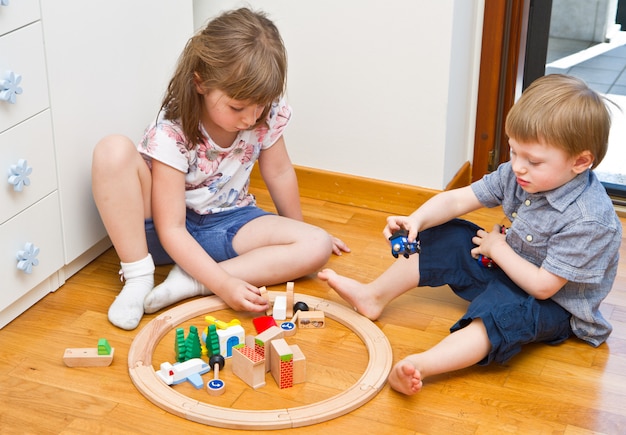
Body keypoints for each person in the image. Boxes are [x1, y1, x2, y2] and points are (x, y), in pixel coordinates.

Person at [319, 74, 622, 395]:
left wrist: (498, 248)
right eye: (513, 151)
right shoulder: (520, 173)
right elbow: (458, 199)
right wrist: (416, 219)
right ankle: (373, 296)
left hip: (552, 305)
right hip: (506, 261)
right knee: (446, 233)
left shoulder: (590, 220)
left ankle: (422, 365)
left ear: (580, 161)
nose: (517, 166)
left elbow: (544, 288)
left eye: (533, 161)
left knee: (499, 313)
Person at [92, 8, 349, 330]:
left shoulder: (264, 117)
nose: (251, 118)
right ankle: (138, 279)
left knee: (317, 244)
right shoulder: (171, 133)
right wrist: (225, 287)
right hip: (162, 231)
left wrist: (299, 232)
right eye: (238, 107)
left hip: (227, 223)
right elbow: (171, 228)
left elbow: (280, 172)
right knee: (111, 150)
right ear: (200, 82)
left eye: (261, 106)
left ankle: (191, 281)